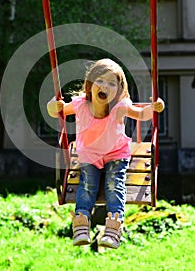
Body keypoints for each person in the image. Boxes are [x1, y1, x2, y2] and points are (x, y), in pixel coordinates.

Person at [47, 58, 164, 249]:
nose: (105, 86)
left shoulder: (120, 107)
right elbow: (57, 112)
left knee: (113, 183)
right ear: (90, 84)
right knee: (87, 185)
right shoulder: (80, 105)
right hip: (89, 155)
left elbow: (141, 114)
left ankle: (113, 230)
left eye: (112, 83)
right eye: (100, 81)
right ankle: (82, 225)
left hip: (115, 153)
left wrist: (155, 107)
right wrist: (54, 105)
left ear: (118, 91)